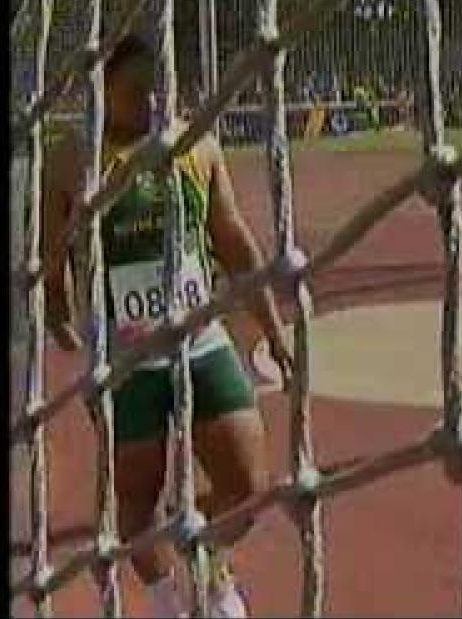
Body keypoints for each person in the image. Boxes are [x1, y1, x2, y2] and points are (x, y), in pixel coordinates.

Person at [42, 34, 294, 618]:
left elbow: (232, 239)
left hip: (200, 340)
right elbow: (49, 252)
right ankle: (164, 601)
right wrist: (56, 309)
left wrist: (272, 327)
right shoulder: (72, 158)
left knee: (247, 486)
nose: (152, 99)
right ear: (103, 90)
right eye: (136, 90)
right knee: (137, 499)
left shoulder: (194, 143)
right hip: (127, 360)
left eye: (161, 86)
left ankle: (208, 565)